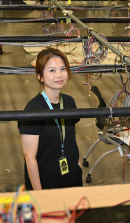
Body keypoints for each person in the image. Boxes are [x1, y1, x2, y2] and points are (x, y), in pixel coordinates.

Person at [18, 48, 83, 190]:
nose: (59, 75)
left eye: (63, 69)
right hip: (46, 183)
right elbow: (30, 158)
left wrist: (78, 167)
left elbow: (71, 140)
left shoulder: (69, 102)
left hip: (72, 179)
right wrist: (40, 194)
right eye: (52, 70)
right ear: (40, 77)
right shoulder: (32, 110)